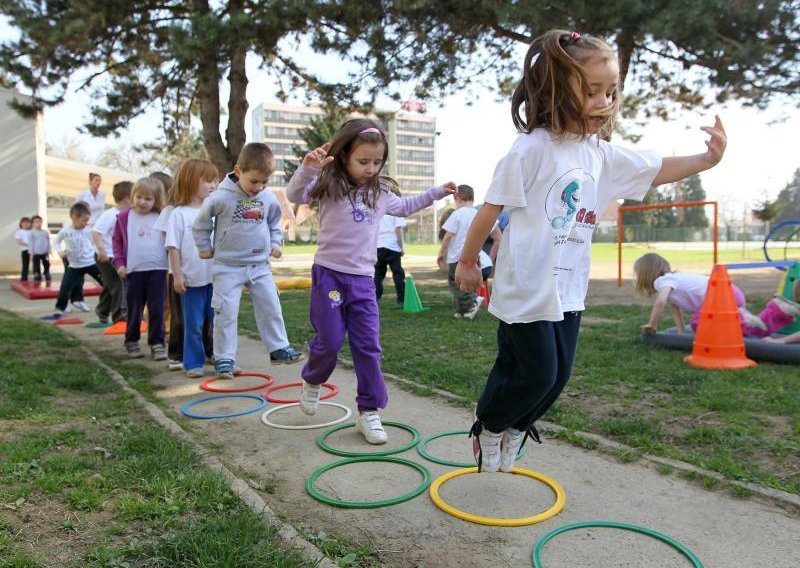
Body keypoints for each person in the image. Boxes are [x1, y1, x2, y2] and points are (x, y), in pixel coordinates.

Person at [454, 29, 729, 473]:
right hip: (527, 285)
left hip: (568, 289)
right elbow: (491, 208)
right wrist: (468, 261)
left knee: (558, 377)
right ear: (557, 90)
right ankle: (489, 424)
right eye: (592, 91)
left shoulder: (600, 155)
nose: (605, 102)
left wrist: (706, 160)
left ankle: (518, 426)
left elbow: (656, 167)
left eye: (612, 92)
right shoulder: (530, 149)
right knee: (535, 371)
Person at [286, 118, 456, 444]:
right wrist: (308, 167)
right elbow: (297, 194)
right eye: (363, 161)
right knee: (331, 340)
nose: (370, 168)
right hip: (330, 275)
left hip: (363, 280)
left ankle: (369, 411)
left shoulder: (380, 193)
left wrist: (437, 193)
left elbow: (406, 206)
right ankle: (312, 380)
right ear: (344, 155)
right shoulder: (329, 185)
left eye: (377, 162)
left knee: (368, 347)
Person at [194, 142, 303, 379]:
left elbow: (274, 223)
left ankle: (278, 348)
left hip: (259, 266)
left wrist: (275, 244)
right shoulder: (220, 198)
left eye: (265, 182)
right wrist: (204, 246)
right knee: (226, 312)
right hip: (227, 266)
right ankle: (224, 359)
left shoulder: (268, 198)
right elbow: (201, 224)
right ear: (238, 170)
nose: (259, 187)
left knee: (271, 305)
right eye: (254, 181)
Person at [634, 252, 800, 337]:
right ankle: (777, 311)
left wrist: (652, 323)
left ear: (647, 274)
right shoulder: (672, 281)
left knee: (698, 323)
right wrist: (681, 336)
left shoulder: (662, 282)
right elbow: (676, 311)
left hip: (722, 295)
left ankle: (755, 317)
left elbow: (660, 302)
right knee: (739, 331)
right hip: (729, 293)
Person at [166, 159, 218, 378]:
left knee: (218, 322)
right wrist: (178, 275)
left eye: (215, 180)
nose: (213, 185)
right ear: (189, 182)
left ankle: (223, 359)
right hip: (192, 281)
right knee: (194, 324)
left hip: (216, 279)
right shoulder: (178, 214)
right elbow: (173, 247)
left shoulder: (215, 211)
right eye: (208, 180)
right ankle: (193, 362)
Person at [113, 177, 169, 360]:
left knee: (157, 308)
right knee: (134, 308)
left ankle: (157, 343)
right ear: (132, 196)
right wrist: (119, 263)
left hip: (159, 270)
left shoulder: (162, 217)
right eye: (139, 197)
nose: (142, 202)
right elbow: (117, 241)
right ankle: (131, 340)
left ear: (156, 200)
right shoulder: (124, 217)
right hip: (134, 271)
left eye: (148, 199)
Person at [151, 172, 185, 371]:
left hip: (201, 272)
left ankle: (207, 351)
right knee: (178, 314)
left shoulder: (200, 209)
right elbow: (169, 243)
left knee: (205, 315)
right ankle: (177, 354)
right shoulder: (170, 212)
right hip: (176, 271)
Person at [438, 185, 484, 320]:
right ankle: (463, 311)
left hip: (457, 257)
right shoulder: (478, 214)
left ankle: (474, 300)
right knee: (469, 283)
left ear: (458, 198)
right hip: (475, 255)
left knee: (456, 283)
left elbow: (447, 236)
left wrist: (441, 253)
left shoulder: (457, 214)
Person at [92, 181, 132, 324]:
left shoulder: (127, 214)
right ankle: (120, 317)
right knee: (119, 285)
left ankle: (102, 310)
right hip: (106, 256)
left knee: (111, 285)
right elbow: (96, 232)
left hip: (115, 256)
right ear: (128, 198)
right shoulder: (111, 214)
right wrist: (101, 250)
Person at [54, 202, 103, 315]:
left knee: (106, 281)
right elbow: (56, 242)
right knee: (66, 286)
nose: (86, 223)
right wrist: (60, 252)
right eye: (84, 220)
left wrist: (97, 251)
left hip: (90, 262)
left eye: (87, 220)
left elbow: (95, 241)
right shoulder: (65, 231)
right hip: (74, 265)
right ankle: (61, 306)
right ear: (73, 217)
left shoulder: (88, 230)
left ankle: (109, 304)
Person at [374, 213, 407, 305]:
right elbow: (398, 230)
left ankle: (376, 297)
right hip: (393, 246)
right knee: (397, 273)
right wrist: (401, 247)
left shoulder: (378, 210)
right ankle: (401, 299)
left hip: (379, 246)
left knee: (378, 274)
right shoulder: (397, 211)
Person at [28, 215, 52, 283]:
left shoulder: (45, 232)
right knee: (36, 264)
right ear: (33, 223)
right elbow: (30, 243)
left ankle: (46, 273)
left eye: (40, 222)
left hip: (44, 252)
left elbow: (48, 241)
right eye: (36, 222)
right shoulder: (31, 233)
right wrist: (31, 252)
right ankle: (37, 274)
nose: (38, 223)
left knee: (46, 263)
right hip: (36, 252)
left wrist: (49, 250)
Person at [15, 217, 31, 281]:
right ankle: (24, 279)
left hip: (34, 250)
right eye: (24, 222)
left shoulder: (32, 231)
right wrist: (29, 244)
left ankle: (38, 278)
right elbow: (19, 241)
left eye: (27, 222)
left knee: (36, 265)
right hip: (25, 250)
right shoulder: (19, 232)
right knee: (25, 265)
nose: (26, 224)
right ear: (21, 224)